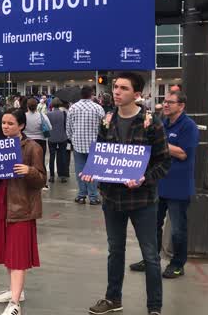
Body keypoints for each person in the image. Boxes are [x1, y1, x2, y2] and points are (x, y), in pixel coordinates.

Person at [84, 72, 171, 315]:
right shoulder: (107, 119)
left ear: (137, 93)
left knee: (150, 255)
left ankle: (154, 306)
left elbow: (163, 162)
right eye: (115, 87)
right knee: (115, 251)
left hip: (142, 199)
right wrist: (93, 171)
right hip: (112, 198)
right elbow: (100, 153)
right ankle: (113, 299)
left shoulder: (151, 122)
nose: (117, 91)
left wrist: (145, 178)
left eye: (123, 88)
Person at [0, 109, 47, 315]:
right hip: (1, 203)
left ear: (21, 125)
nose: (5, 126)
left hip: (22, 207)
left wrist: (29, 171)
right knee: (8, 252)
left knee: (17, 254)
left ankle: (15, 303)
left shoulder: (33, 147)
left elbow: (42, 179)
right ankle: (17, 291)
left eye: (10, 123)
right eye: (3, 123)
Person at [130, 90, 198, 279]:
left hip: (178, 186)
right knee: (152, 226)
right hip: (158, 183)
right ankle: (151, 259)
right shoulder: (161, 123)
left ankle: (177, 264)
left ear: (181, 106)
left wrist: (158, 144)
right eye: (164, 101)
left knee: (177, 229)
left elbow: (183, 153)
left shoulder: (188, 126)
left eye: (170, 102)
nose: (165, 105)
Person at [67, 86, 105, 205]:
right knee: (93, 170)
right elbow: (103, 127)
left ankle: (81, 195)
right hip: (94, 144)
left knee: (80, 169)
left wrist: (72, 138)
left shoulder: (73, 108)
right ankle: (93, 196)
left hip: (78, 143)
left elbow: (68, 128)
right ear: (92, 94)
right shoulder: (98, 108)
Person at [25, 98, 51, 183]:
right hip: (40, 141)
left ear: (27, 106)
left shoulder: (24, 116)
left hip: (27, 141)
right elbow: (50, 127)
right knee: (41, 161)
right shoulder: (42, 116)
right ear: (37, 106)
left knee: (27, 161)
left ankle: (28, 180)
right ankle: (43, 181)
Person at [46, 98, 69, 183]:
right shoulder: (64, 113)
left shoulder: (48, 114)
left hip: (52, 138)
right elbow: (66, 125)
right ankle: (62, 176)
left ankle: (52, 176)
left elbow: (47, 127)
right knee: (62, 156)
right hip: (62, 137)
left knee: (52, 157)